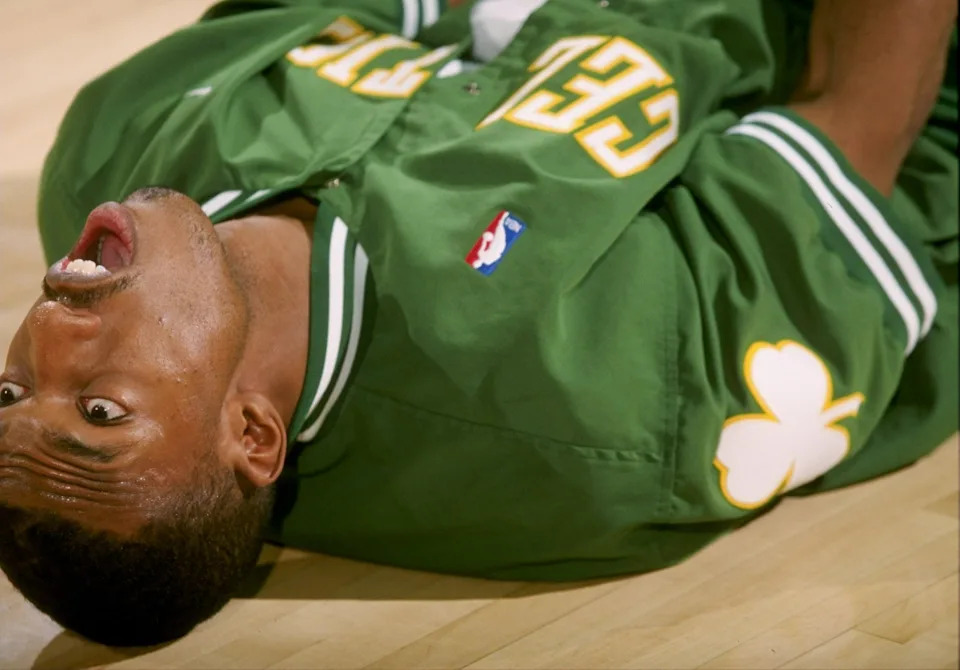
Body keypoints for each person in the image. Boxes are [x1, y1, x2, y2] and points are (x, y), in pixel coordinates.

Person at [0, 0, 956, 648]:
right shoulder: (592, 412)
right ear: (250, 432)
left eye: (8, 393)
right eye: (101, 411)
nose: (48, 334)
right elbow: (861, 117)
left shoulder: (111, 149)